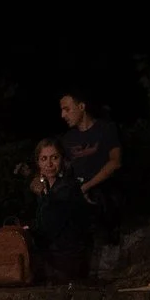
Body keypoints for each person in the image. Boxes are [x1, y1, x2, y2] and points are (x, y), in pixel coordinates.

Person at [30, 137, 94, 284]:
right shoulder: (43, 187)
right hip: (50, 257)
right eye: (44, 159)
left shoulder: (68, 188)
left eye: (54, 158)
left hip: (66, 260)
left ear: (62, 159)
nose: (49, 164)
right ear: (38, 162)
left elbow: (51, 224)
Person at [58, 91, 124, 229]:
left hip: (103, 194)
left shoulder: (106, 129)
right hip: (78, 196)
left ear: (81, 107)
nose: (63, 115)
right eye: (62, 110)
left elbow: (115, 162)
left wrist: (86, 187)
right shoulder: (67, 139)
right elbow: (63, 168)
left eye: (67, 109)